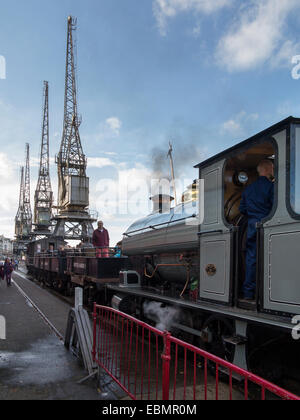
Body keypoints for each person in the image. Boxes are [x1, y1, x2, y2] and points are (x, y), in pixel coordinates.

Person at [239, 159, 274, 301]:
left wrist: (254, 216)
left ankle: (248, 293)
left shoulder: (248, 189)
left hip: (252, 226)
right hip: (267, 225)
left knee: (251, 259)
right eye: (272, 168)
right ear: (268, 169)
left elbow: (242, 209)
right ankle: (267, 292)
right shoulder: (272, 187)